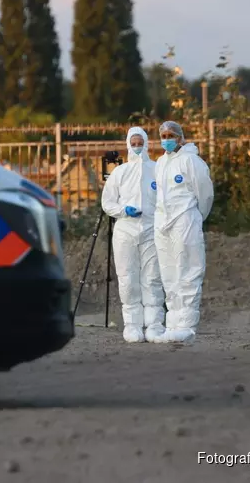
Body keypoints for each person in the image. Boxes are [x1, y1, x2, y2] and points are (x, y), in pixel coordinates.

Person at [101, 127, 166, 343]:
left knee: (152, 278)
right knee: (128, 278)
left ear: (147, 143)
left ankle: (155, 324)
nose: (137, 147)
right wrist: (123, 210)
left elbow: (167, 199)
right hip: (125, 230)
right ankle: (132, 325)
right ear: (128, 145)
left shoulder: (157, 170)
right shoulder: (120, 173)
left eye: (141, 142)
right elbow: (107, 202)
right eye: (134, 143)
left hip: (151, 229)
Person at [154, 121, 214, 343]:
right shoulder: (160, 163)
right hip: (163, 224)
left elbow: (205, 195)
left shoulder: (192, 161)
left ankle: (187, 325)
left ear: (180, 137)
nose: (167, 139)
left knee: (187, 270)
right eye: (164, 135)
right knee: (169, 274)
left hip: (185, 220)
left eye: (171, 135)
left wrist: (195, 217)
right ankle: (173, 324)